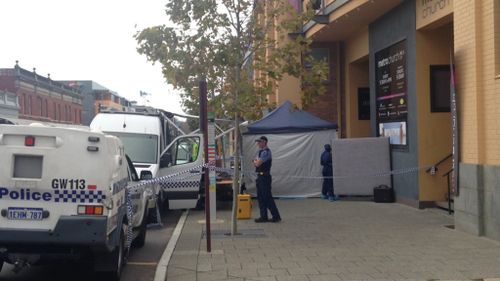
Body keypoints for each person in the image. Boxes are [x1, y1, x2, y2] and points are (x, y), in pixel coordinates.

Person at [253, 136, 281, 223]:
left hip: (265, 177)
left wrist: (255, 161)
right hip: (260, 177)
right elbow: (256, 162)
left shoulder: (266, 152)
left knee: (267, 197)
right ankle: (263, 216)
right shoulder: (260, 152)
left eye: (259, 142)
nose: (258, 143)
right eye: (258, 142)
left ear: (264, 142)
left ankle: (276, 216)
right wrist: (256, 162)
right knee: (261, 198)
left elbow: (257, 163)